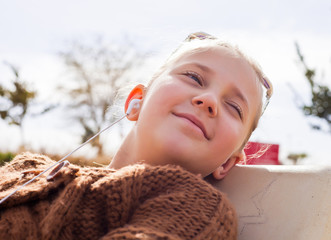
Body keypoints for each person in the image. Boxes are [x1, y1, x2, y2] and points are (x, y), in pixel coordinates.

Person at [0, 32, 272, 239]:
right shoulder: (27, 169)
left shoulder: (199, 209)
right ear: (136, 103)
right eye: (193, 77)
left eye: (234, 107)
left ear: (227, 163)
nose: (209, 99)